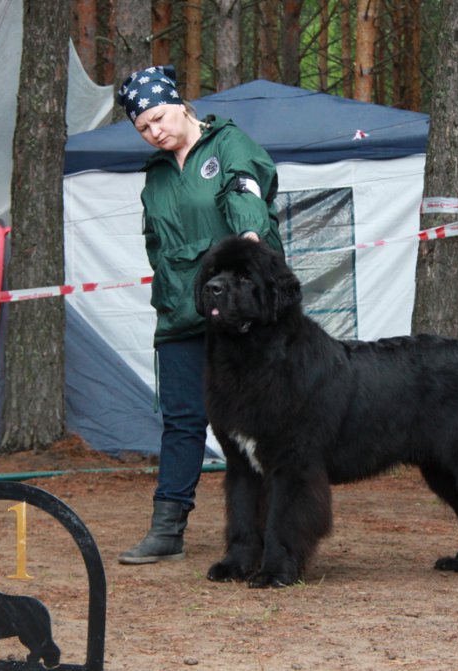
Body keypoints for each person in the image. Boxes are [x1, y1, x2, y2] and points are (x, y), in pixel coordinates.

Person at [116, 65, 284, 565]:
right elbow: (156, 241)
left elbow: (246, 189)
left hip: (241, 311)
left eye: (160, 118)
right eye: (143, 127)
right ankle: (167, 529)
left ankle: (272, 531)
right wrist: (170, 292)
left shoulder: (228, 144)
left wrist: (250, 237)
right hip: (181, 311)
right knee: (183, 419)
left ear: (181, 105)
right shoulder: (157, 173)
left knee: (267, 419)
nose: (155, 131)